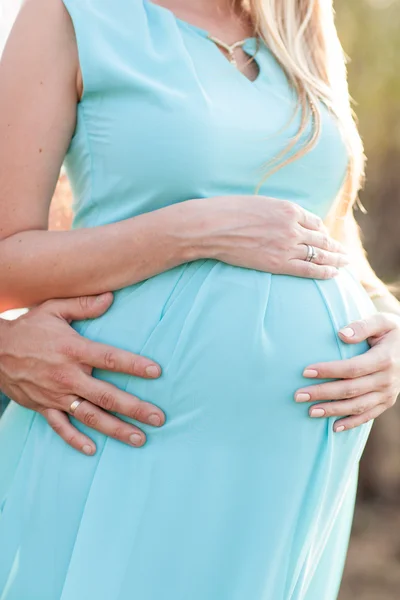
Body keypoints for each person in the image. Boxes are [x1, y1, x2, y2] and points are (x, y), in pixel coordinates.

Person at [0, 0, 399, 598]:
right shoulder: (70, 15)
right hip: (131, 423)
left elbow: (328, 234)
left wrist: (393, 327)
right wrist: (191, 232)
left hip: (295, 460)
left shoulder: (299, 18)